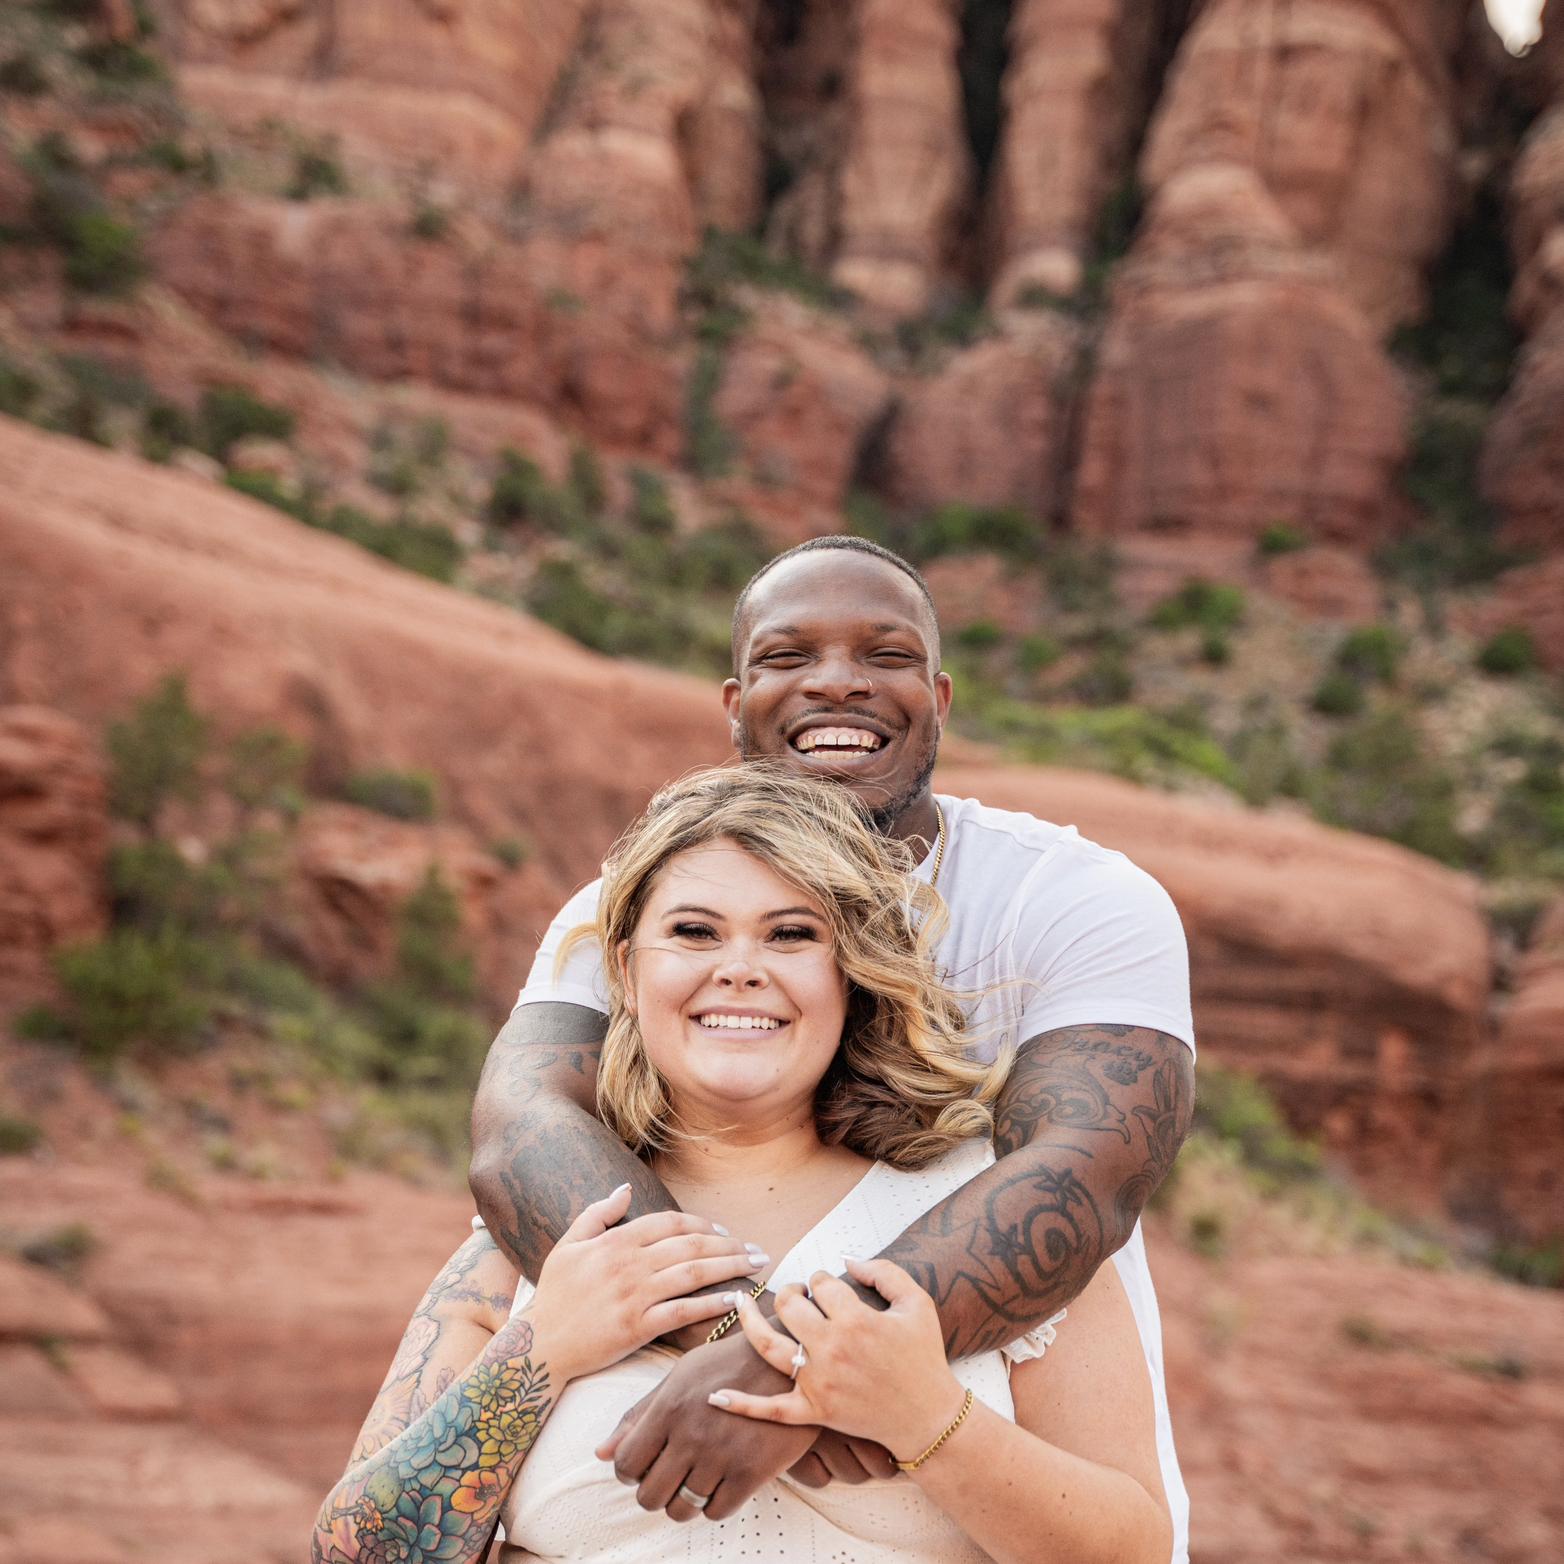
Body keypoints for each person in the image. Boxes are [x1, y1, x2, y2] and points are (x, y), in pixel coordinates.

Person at [469, 536, 1197, 1557]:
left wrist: (796, 1365)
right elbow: (521, 1127)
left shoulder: (1072, 897)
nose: (838, 682)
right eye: (788, 655)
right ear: (735, 705)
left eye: (886, 655)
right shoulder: (631, 905)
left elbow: (1087, 1170)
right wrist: (762, 1351)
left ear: (939, 696)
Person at [314, 768, 1172, 1563]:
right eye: (694, 932)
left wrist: (926, 1419)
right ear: (626, 971)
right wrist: (542, 1349)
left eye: (791, 935)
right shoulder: (538, 1233)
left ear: (852, 977)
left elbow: (1132, 1550)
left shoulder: (990, 1214)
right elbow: (355, 1554)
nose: (739, 970)